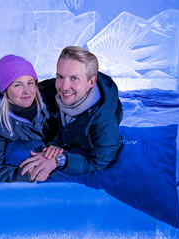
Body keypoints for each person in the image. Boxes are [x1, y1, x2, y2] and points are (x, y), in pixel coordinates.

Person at [19, 46, 123, 180]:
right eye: (60, 76)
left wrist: (58, 159)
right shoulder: (50, 91)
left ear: (91, 82)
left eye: (74, 78)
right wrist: (54, 146)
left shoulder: (104, 124)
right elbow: (10, 95)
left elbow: (99, 162)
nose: (63, 86)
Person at [0, 54, 61, 182]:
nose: (27, 91)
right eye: (18, 85)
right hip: (40, 176)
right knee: (25, 150)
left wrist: (55, 150)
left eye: (30, 83)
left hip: (60, 162)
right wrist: (28, 174)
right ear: (5, 90)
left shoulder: (51, 99)